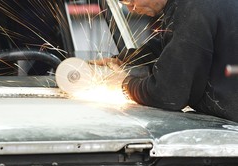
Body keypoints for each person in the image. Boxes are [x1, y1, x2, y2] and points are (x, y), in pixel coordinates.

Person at [95, 0, 238, 122]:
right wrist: (124, 60)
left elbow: (167, 95)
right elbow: (170, 47)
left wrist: (123, 83)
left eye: (130, 0)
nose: (131, 8)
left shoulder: (194, 9)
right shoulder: (186, 6)